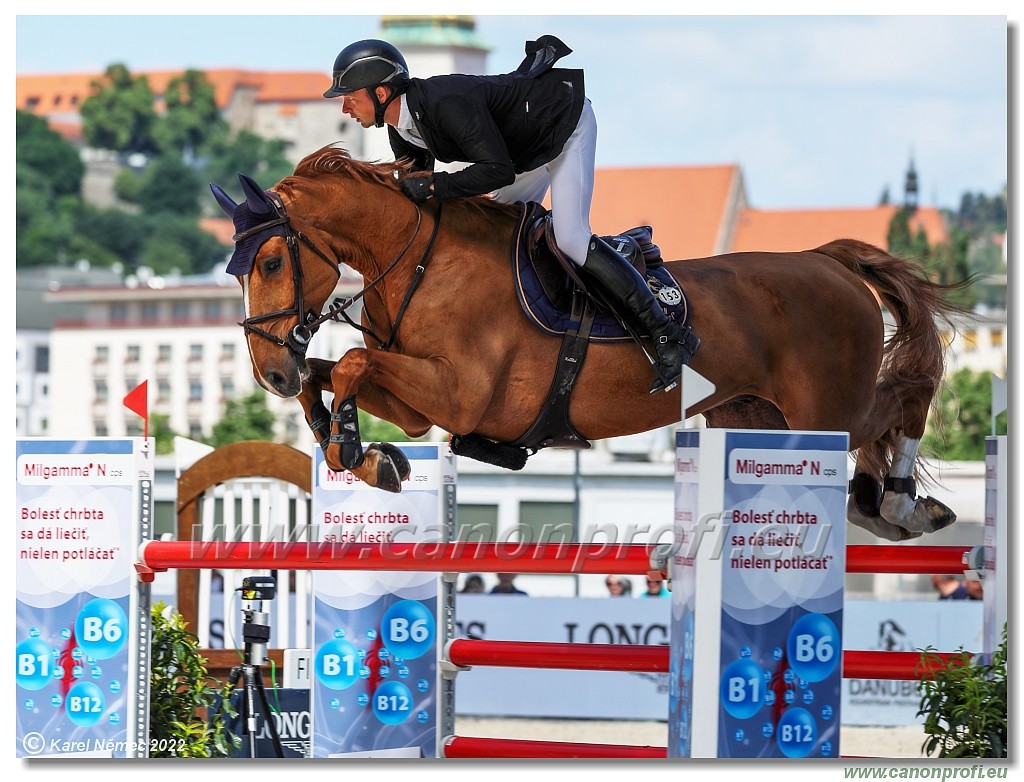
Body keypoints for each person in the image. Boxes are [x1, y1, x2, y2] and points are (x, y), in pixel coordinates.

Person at [323, 36, 688, 394]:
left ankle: (668, 334)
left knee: (571, 238)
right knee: (492, 232)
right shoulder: (401, 129)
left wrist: (435, 186)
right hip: (521, 151)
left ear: (381, 93)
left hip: (562, 124)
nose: (345, 109)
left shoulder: (446, 103)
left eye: (349, 98)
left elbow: (494, 172)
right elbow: (417, 201)